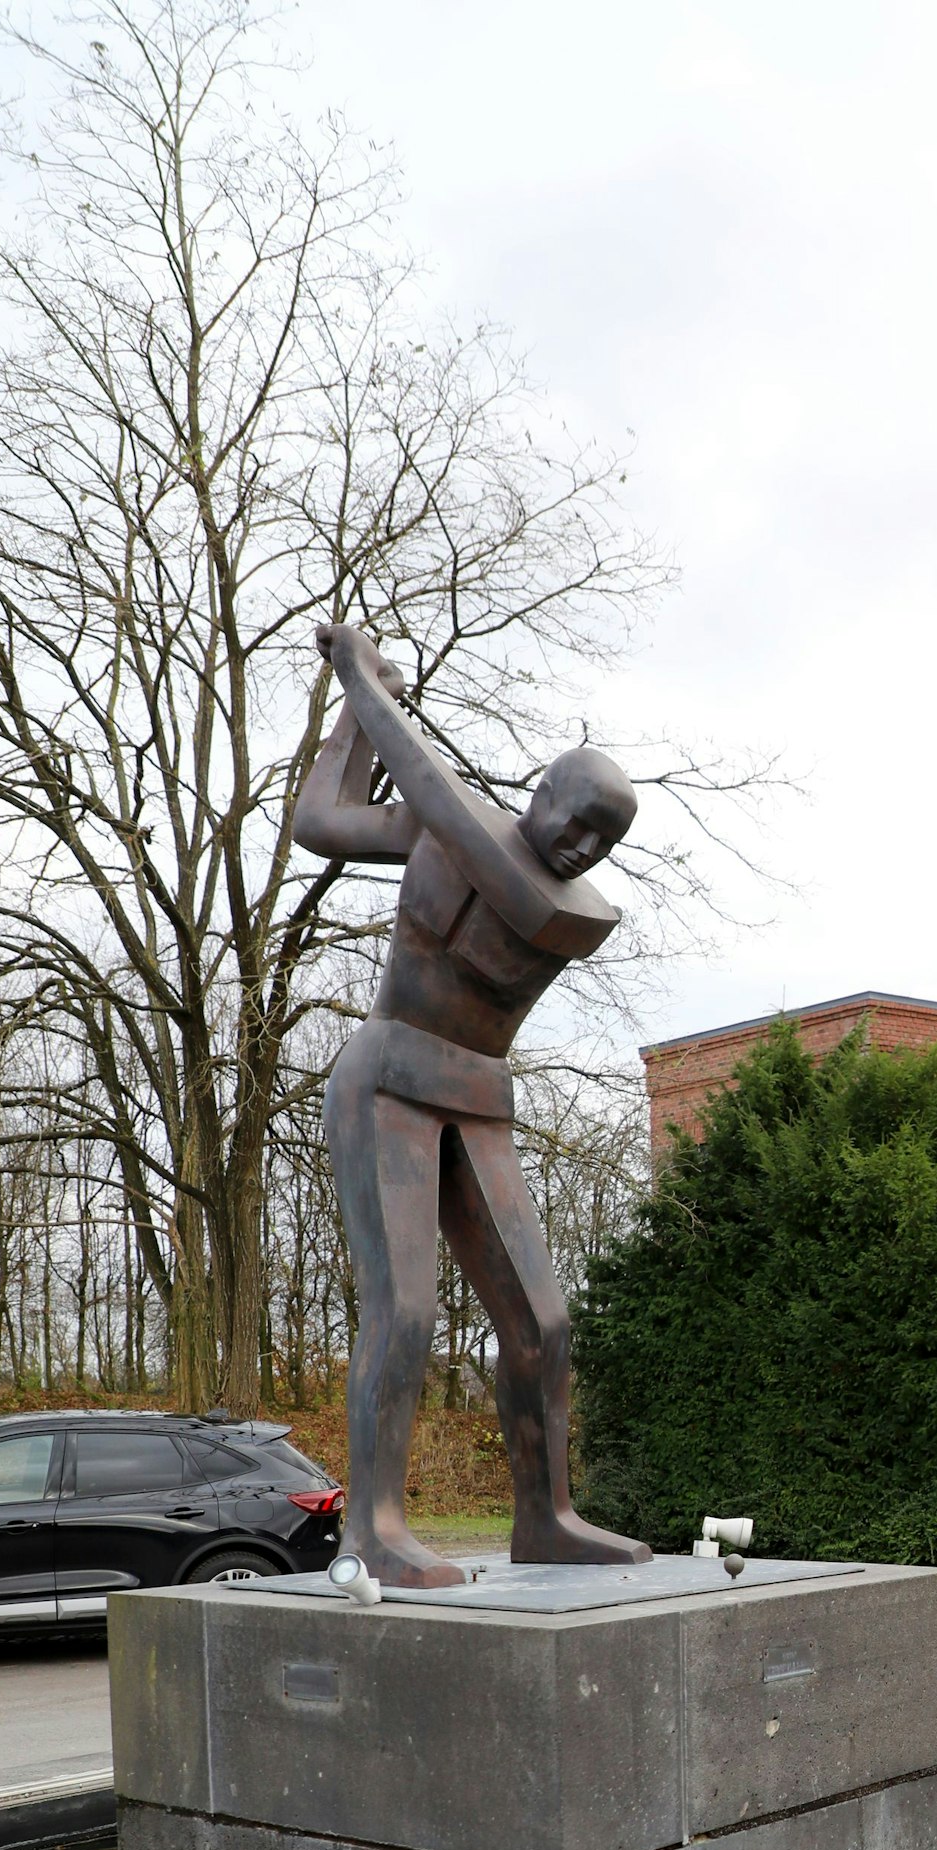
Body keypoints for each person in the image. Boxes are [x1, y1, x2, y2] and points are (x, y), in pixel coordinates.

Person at [293, 621, 650, 1587]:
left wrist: (369, 685)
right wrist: (356, 715)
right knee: (405, 1310)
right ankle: (373, 1529)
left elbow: (465, 828)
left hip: (477, 1100)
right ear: (539, 795)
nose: (581, 847)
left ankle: (547, 1519)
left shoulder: (573, 912)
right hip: (385, 1084)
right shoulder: (443, 832)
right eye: (574, 820)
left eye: (602, 839)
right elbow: (320, 822)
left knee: (544, 1324)